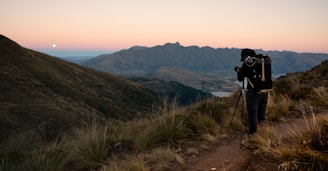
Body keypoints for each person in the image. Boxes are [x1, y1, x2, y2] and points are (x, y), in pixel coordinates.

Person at [234, 48, 268, 135]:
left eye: (243, 58)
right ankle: (264, 134)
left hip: (253, 93)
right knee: (261, 115)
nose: (243, 60)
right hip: (265, 91)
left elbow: (241, 78)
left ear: (245, 56)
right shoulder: (261, 61)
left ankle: (253, 135)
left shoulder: (248, 63)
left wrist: (238, 71)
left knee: (252, 116)